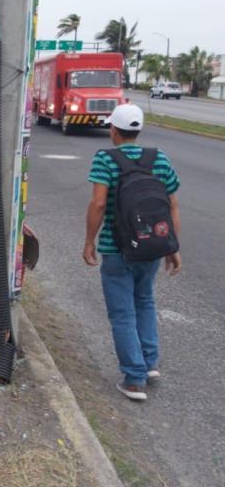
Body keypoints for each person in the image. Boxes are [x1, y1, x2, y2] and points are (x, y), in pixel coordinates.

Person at [83, 103, 181, 401]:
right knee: (145, 301)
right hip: (152, 246)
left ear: (113, 130)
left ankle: (134, 378)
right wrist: (172, 246)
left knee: (122, 312)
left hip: (118, 250)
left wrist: (90, 241)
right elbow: (172, 205)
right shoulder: (159, 159)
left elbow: (99, 204)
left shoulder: (105, 159)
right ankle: (150, 364)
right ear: (138, 130)